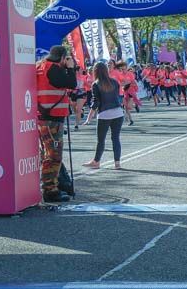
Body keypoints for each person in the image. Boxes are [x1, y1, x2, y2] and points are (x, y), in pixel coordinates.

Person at [36, 45, 77, 203]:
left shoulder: (40, 66)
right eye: (66, 59)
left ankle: (52, 186)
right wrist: (71, 68)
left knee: (47, 154)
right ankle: (50, 190)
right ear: (62, 57)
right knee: (53, 156)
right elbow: (71, 83)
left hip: (43, 116)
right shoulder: (53, 69)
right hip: (52, 118)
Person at [82, 62, 125, 169]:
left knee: (101, 140)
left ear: (95, 71)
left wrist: (89, 118)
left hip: (105, 114)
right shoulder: (114, 82)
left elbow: (96, 102)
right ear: (106, 70)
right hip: (118, 112)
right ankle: (117, 163)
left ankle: (96, 161)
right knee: (115, 138)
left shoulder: (96, 84)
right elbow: (118, 96)